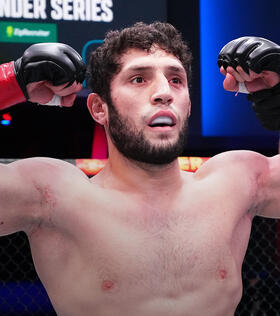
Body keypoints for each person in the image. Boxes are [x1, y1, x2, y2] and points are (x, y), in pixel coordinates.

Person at [1, 22, 280, 316]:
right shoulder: (53, 196)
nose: (164, 93)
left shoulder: (234, 182)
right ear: (99, 108)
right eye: (138, 79)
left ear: (188, 106)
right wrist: (10, 80)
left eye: (175, 80)